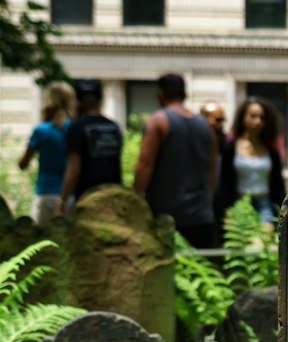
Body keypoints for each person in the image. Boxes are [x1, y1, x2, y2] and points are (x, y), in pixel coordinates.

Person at [134, 73, 218, 248]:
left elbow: (145, 164)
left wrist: (134, 199)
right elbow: (212, 170)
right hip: (201, 216)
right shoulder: (206, 127)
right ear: (185, 94)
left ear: (161, 94)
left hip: (165, 216)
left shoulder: (158, 121)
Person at [216, 97, 287, 226]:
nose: (258, 121)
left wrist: (283, 209)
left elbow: (278, 183)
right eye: (253, 116)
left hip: (265, 203)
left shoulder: (271, 149)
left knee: (263, 243)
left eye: (262, 117)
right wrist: (225, 210)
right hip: (239, 203)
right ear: (243, 117)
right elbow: (224, 181)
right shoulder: (231, 147)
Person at [60, 79, 123, 213]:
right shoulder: (114, 127)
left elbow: (74, 169)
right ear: (100, 100)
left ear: (78, 101)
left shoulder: (76, 128)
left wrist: (61, 202)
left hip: (87, 200)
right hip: (114, 199)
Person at [19, 81, 76, 228]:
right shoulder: (75, 129)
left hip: (45, 194)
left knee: (42, 244)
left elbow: (23, 164)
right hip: (70, 195)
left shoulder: (41, 130)